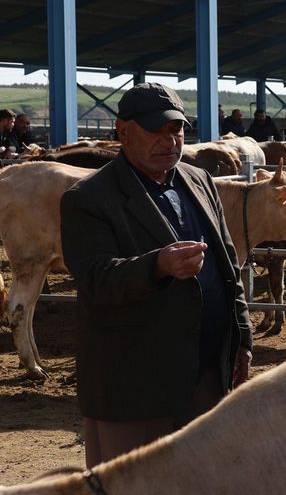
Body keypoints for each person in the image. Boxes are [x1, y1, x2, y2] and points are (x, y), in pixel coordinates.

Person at [59, 83, 252, 466]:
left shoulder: (199, 181)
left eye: (176, 130)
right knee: (135, 481)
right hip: (136, 381)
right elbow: (95, 278)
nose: (169, 141)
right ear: (123, 131)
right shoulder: (89, 198)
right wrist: (157, 266)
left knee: (204, 475)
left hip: (205, 370)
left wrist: (241, 335)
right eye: (155, 131)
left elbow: (228, 262)